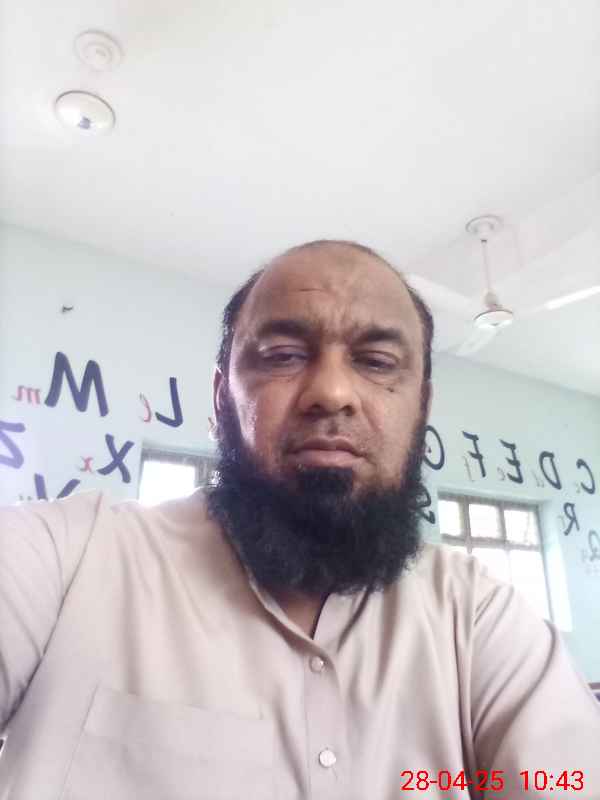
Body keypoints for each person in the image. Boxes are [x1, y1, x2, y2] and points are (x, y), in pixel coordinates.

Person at [0, 240, 598, 800]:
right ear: (221, 398)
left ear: (422, 406)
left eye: (377, 361)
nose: (332, 393)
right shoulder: (71, 558)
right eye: (283, 356)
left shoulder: (477, 617)